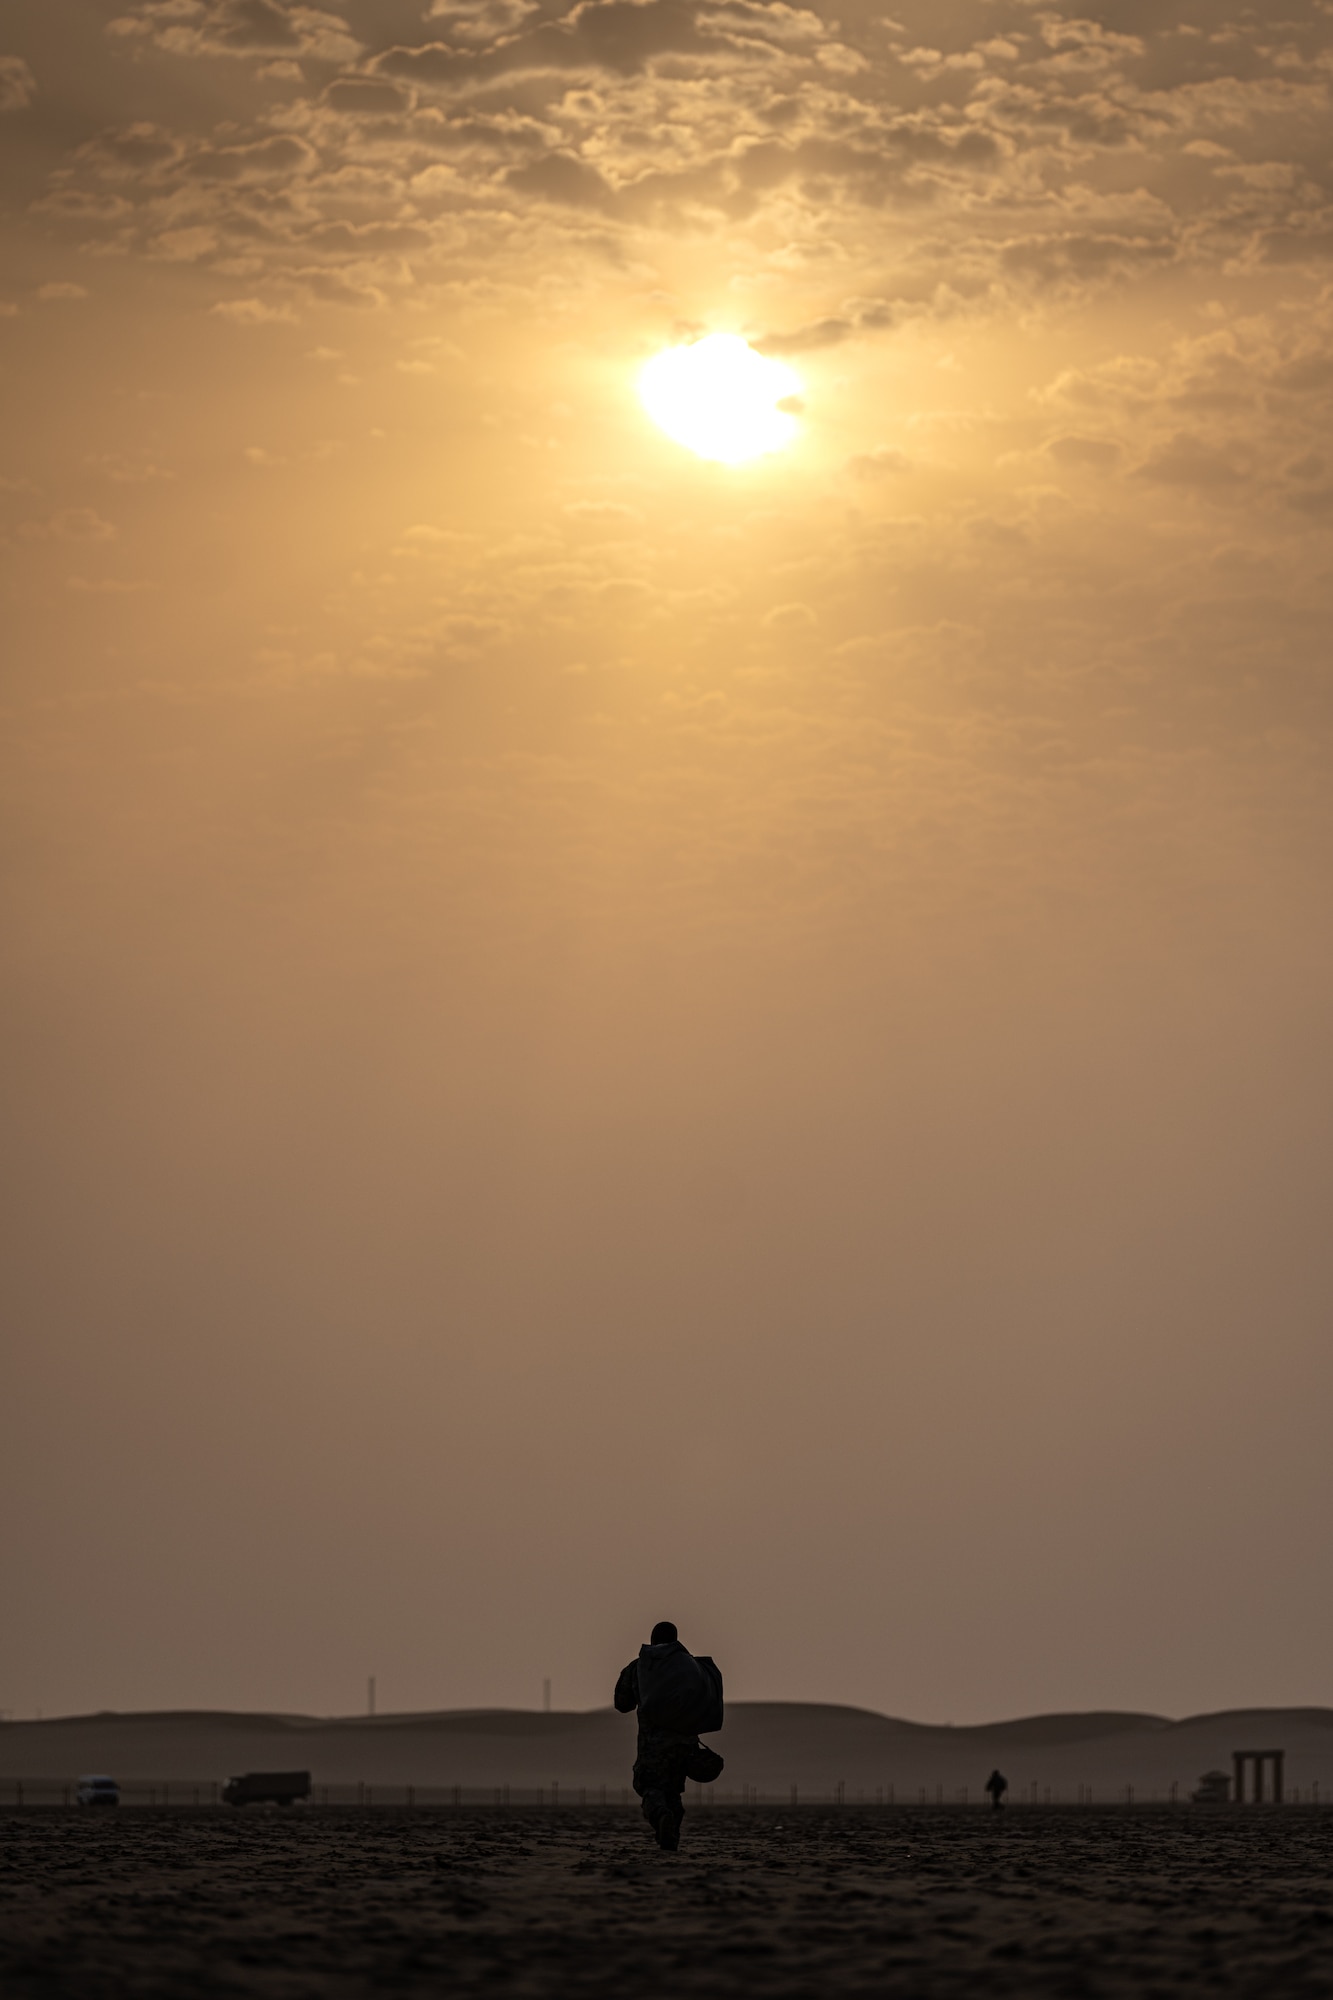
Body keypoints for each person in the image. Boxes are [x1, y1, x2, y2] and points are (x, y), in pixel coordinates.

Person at [614, 1621, 724, 1851]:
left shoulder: (639, 1668)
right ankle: (671, 1836)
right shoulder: (690, 1667)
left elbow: (622, 1703)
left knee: (650, 1788)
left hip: (652, 1746)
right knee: (673, 1791)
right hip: (685, 1745)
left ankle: (662, 1818)